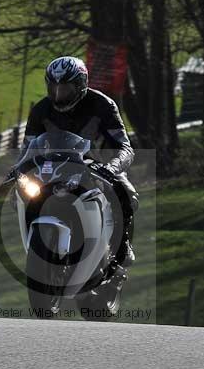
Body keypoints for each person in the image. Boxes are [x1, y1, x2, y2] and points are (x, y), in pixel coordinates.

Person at [23, 56, 138, 267]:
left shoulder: (103, 105)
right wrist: (18, 170)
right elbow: (27, 150)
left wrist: (112, 167)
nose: (58, 95)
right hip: (53, 168)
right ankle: (34, 243)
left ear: (81, 85)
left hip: (98, 166)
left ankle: (122, 247)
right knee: (21, 194)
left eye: (64, 88)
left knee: (127, 194)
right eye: (53, 87)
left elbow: (125, 147)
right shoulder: (40, 110)